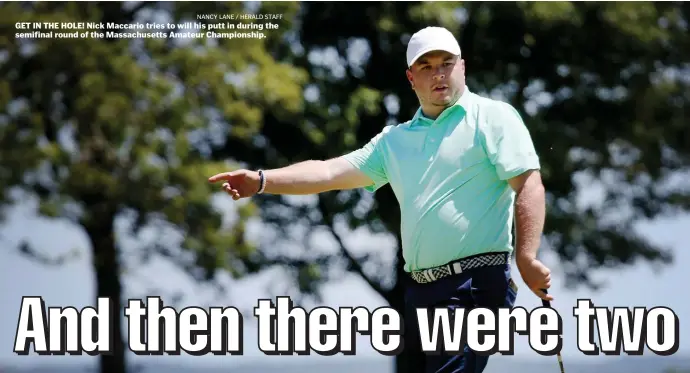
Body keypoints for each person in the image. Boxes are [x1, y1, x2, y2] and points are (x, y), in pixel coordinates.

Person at [208, 26, 552, 373]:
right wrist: (263, 181)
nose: (439, 74)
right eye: (426, 67)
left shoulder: (493, 118)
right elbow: (328, 173)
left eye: (446, 63)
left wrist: (526, 257)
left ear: (463, 66)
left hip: (475, 285)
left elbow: (529, 184)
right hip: (419, 293)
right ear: (411, 77)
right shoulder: (394, 141)